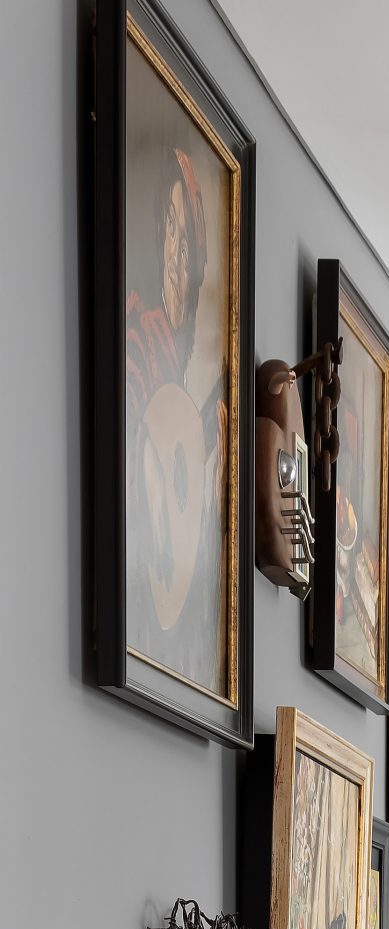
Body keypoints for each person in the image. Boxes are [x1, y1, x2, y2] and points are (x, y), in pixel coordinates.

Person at [124, 142, 226, 682]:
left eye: (188, 241)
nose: (176, 254)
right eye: (169, 229)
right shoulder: (139, 340)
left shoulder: (179, 361)